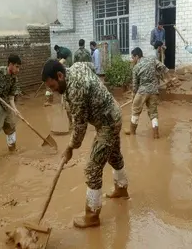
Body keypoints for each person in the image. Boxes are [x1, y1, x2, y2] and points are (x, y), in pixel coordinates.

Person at [41, 59, 129, 229]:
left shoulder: (75, 91)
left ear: (60, 75)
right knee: (114, 155)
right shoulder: (76, 66)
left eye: (53, 87)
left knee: (92, 168)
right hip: (113, 114)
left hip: (107, 124)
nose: (54, 91)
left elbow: (80, 127)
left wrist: (69, 148)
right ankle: (122, 188)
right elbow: (89, 66)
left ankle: (92, 215)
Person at [125, 47, 169, 139]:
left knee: (135, 110)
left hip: (142, 91)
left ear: (137, 56)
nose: (132, 60)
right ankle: (156, 134)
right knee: (153, 113)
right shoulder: (152, 59)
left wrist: (134, 97)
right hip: (154, 90)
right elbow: (163, 68)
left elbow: (135, 86)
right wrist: (168, 78)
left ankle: (132, 132)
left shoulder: (136, 67)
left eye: (133, 58)